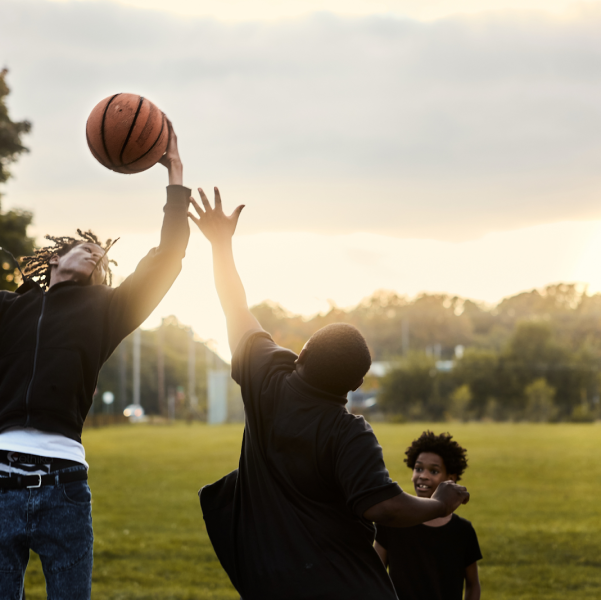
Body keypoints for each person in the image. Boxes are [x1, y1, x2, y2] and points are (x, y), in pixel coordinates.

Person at [0, 126, 189, 600]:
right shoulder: (3, 310)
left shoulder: (105, 312)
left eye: (103, 263)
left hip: (65, 488)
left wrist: (175, 181)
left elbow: (167, 261)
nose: (98, 260)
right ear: (56, 258)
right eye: (90, 249)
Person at [190, 188, 470, 600]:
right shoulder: (348, 433)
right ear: (355, 387)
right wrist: (440, 504)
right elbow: (385, 508)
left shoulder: (264, 377)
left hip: (268, 581)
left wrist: (220, 244)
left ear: (301, 352)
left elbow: (235, 307)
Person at [374, 431, 482, 600]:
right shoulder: (391, 522)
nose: (423, 476)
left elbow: (473, 584)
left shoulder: (463, 531)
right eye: (418, 469)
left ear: (450, 479)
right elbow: (374, 576)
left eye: (433, 471)